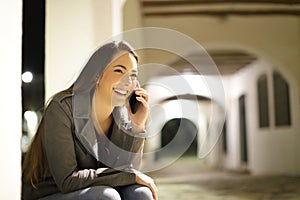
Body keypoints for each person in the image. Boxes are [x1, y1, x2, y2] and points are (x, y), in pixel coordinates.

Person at [22, 41, 158, 200]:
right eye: (119, 71)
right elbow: (68, 181)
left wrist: (137, 126)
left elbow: (128, 171)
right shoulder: (62, 109)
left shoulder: (121, 115)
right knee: (106, 197)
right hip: (50, 193)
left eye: (133, 75)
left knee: (141, 194)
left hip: (95, 190)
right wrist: (131, 176)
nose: (128, 81)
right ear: (97, 75)